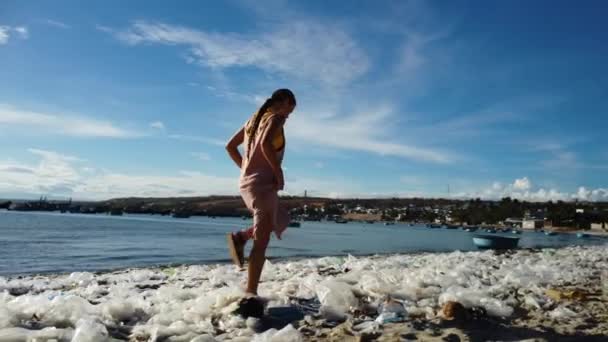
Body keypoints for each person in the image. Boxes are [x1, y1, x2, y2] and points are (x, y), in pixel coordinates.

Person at [225, 88, 296, 297]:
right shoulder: (275, 118)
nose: (289, 115)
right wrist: (278, 172)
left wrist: (247, 169)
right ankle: (251, 293)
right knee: (261, 242)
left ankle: (241, 237)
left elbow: (230, 147)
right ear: (282, 102)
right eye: (290, 109)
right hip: (262, 184)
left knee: (280, 218)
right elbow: (265, 144)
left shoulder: (253, 120)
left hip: (249, 183)